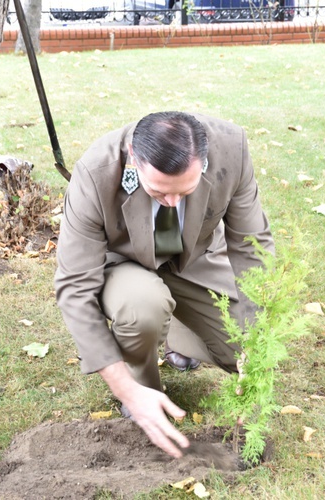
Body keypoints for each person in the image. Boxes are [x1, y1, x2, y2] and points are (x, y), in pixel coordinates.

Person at [54, 111, 274, 458]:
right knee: (143, 306)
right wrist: (125, 389)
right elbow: (74, 287)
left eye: (184, 192)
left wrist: (255, 339)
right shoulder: (95, 173)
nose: (172, 202)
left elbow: (252, 246)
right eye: (158, 192)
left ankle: (180, 338)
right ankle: (143, 387)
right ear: (133, 159)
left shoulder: (232, 149)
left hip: (195, 258)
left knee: (245, 350)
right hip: (124, 262)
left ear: (203, 163)